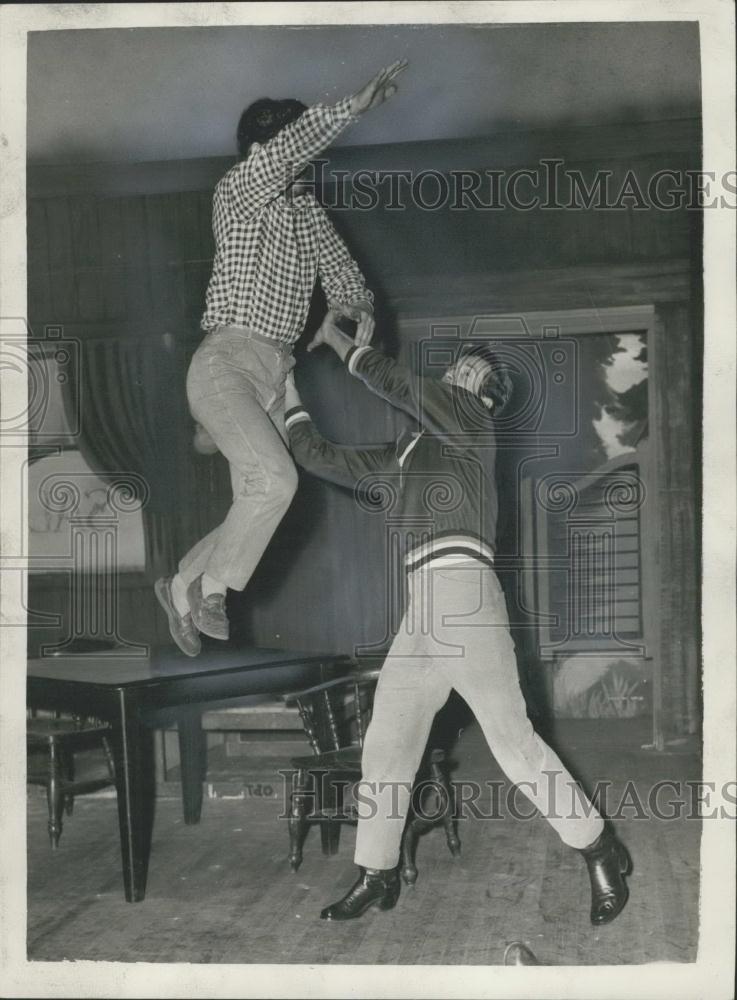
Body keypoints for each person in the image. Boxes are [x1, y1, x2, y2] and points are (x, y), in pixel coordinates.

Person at [283, 311, 632, 925]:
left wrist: (343, 345)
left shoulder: (474, 424)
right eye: (460, 363)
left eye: (472, 370)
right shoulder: (406, 454)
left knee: (514, 744)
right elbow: (318, 457)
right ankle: (377, 871)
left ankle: (600, 849)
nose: (458, 369)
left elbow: (400, 385)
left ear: (483, 394)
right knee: (387, 744)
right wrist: (286, 394)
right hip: (421, 606)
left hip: (467, 597)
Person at [155, 61, 408, 656]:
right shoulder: (239, 192)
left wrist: (352, 308)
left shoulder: (306, 212)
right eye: (295, 153)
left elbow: (345, 273)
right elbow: (285, 151)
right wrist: (352, 107)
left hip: (273, 374)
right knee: (274, 480)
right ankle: (212, 589)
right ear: (269, 152)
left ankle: (184, 581)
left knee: (268, 495)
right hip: (225, 363)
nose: (305, 166)